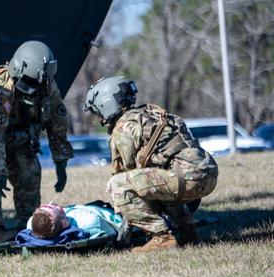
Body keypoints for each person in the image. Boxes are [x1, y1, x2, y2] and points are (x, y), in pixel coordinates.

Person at [0, 40, 74, 246]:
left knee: (29, 170)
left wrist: (61, 160)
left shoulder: (47, 85)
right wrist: (0, 171)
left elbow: (57, 121)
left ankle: (27, 225)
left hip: (16, 127)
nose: (32, 89)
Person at [83, 76, 218, 252]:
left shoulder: (123, 128)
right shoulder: (154, 114)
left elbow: (124, 176)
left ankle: (161, 237)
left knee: (118, 185)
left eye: (97, 111)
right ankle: (189, 235)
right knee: (157, 180)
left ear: (105, 104)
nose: (98, 116)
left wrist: (128, 224)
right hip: (208, 174)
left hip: (186, 178)